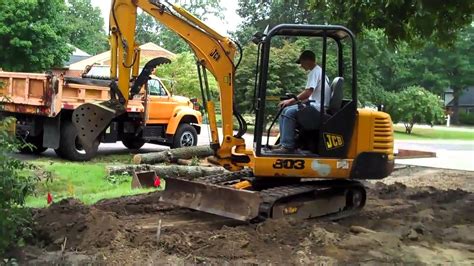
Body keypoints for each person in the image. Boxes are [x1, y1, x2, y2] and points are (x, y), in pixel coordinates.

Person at [272, 50, 330, 154]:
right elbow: (310, 96)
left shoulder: (315, 72)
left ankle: (288, 146)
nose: (301, 66)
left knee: (289, 112)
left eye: (302, 63)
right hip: (315, 105)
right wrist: (293, 102)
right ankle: (283, 143)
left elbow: (307, 92)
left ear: (307, 60)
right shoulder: (319, 71)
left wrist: (290, 101)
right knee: (285, 109)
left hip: (318, 107)